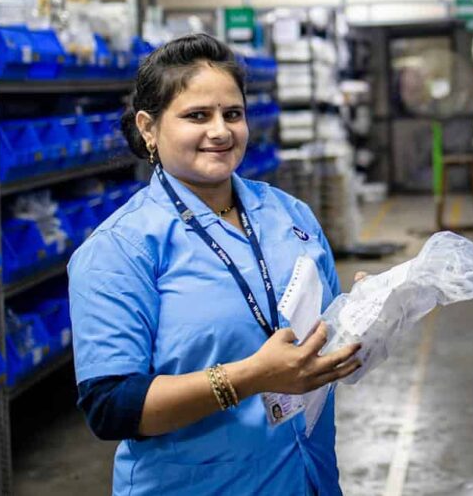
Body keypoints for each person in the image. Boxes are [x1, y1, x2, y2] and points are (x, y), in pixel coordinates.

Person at [68, 34, 362, 495]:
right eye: (197, 116)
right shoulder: (120, 248)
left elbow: (321, 337)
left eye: (233, 114)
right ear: (148, 128)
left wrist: (363, 312)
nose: (221, 131)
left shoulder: (290, 216)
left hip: (308, 478)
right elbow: (111, 408)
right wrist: (250, 377)